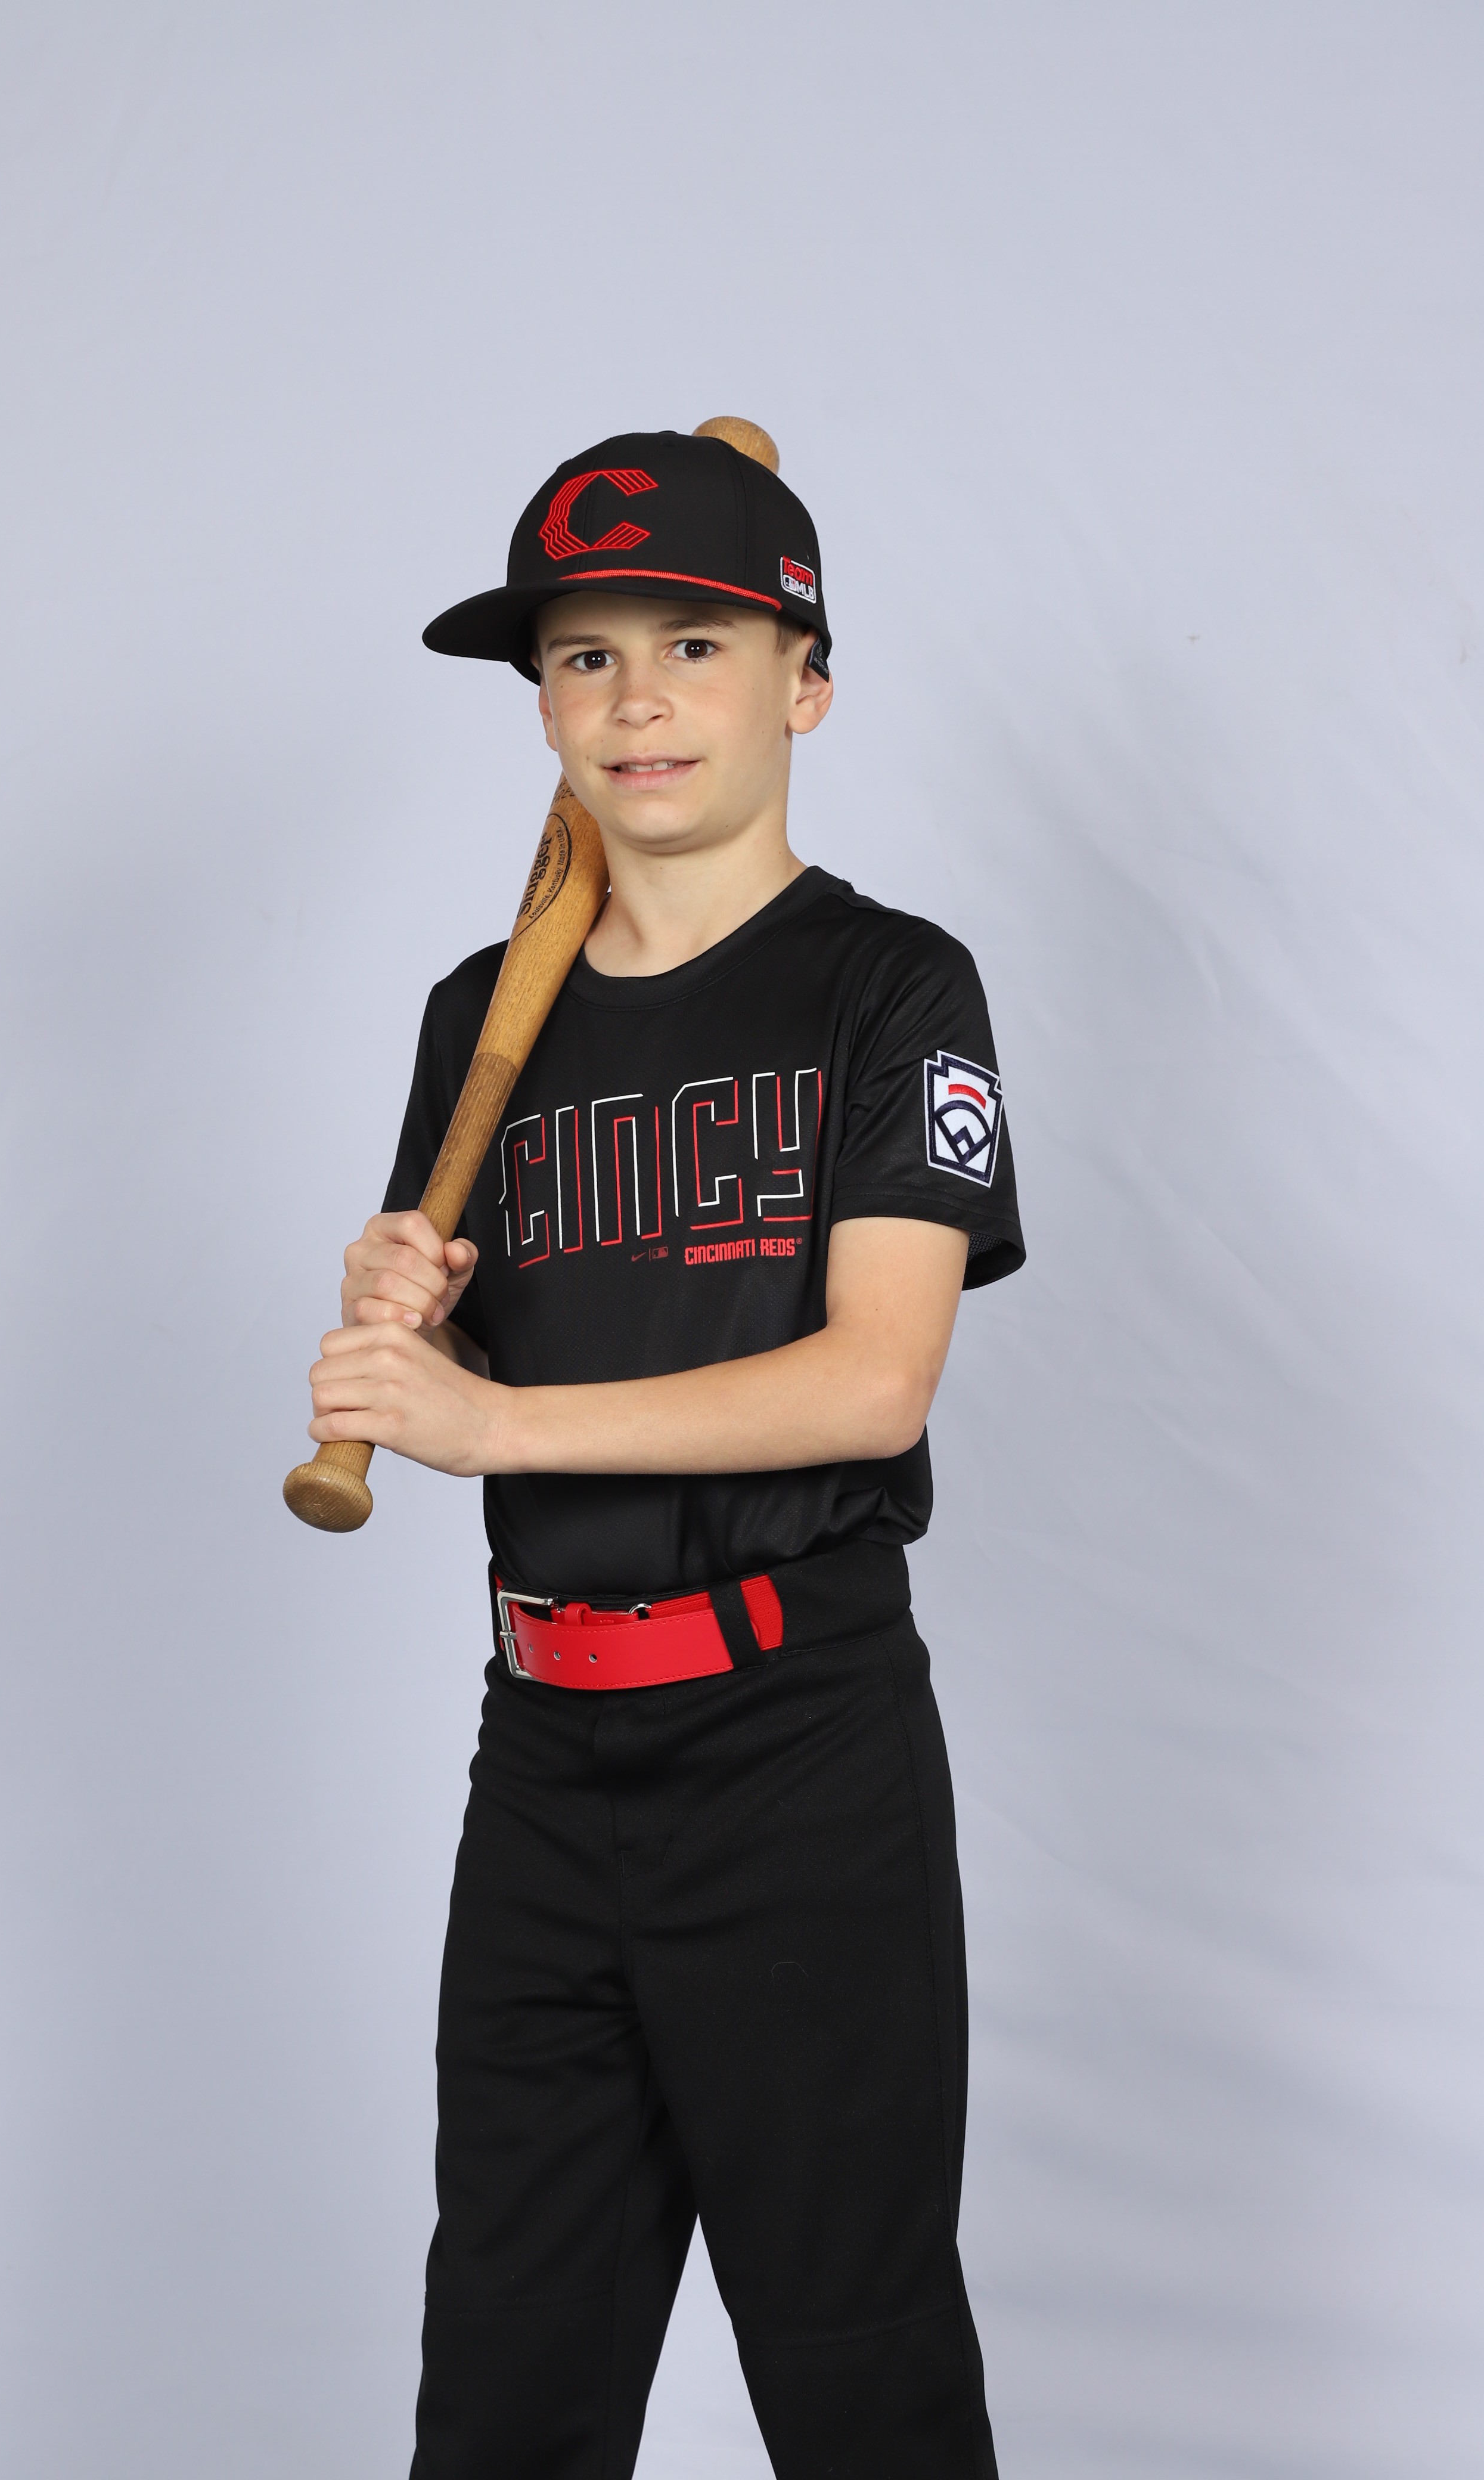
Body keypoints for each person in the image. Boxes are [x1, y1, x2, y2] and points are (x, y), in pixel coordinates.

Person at [305, 427, 1024, 2479]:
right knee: (507, 2387)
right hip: (544, 1756)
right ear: (540, 705)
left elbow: (874, 1380)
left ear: (808, 684)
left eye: (696, 645)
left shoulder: (892, 987)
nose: (637, 700)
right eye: (585, 655)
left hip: (798, 1746)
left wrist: (488, 1420)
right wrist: (410, 1313)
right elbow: (475, 1347)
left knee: (858, 2375)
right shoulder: (483, 1016)